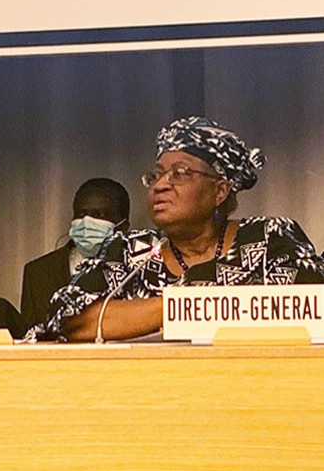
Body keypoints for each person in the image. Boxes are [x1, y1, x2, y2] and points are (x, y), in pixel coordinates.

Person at [45, 116, 324, 342]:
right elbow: (71, 320)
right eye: (156, 175)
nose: (160, 185)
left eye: (179, 173)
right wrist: (178, 307)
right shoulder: (131, 253)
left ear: (220, 191)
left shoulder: (269, 239)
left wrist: (143, 315)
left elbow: (308, 309)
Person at [19, 178, 130, 332]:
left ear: (123, 227)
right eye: (81, 213)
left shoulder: (140, 270)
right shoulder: (38, 272)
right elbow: (28, 336)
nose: (86, 221)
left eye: (99, 215)